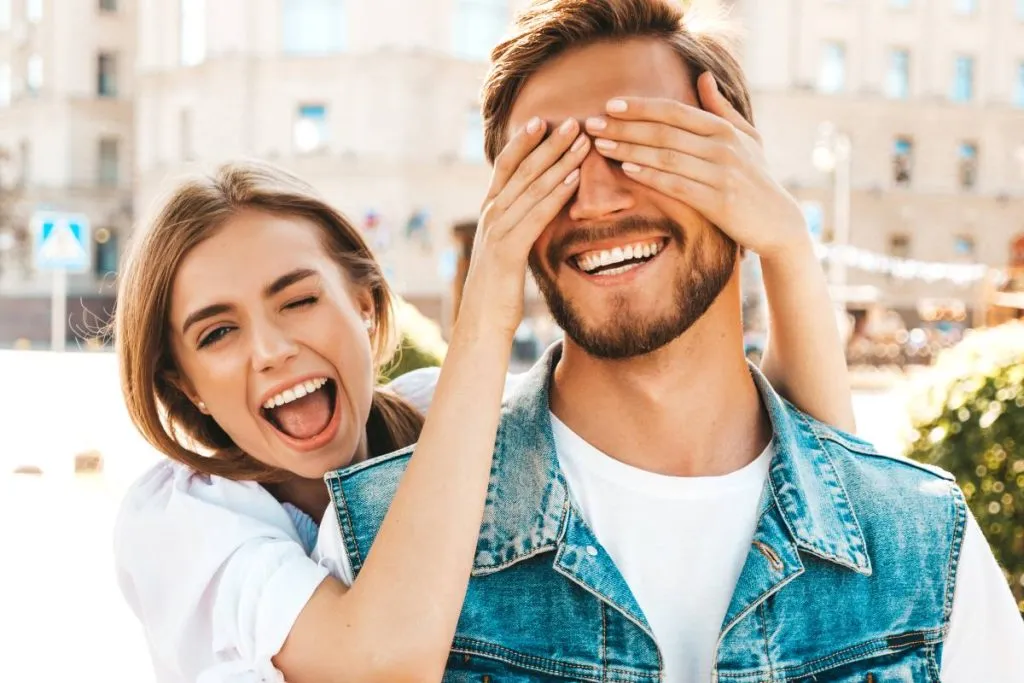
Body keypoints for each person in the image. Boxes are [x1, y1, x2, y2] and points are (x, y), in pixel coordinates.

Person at [313, 1, 1024, 681]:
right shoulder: (376, 547)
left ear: (738, 171)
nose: (593, 200)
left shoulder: (924, 542)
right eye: (547, 167)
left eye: (640, 148)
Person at [114, 123, 855, 683]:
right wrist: (492, 294)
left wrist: (785, 242)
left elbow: (817, 473)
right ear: (184, 385)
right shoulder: (181, 521)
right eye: (217, 332)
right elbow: (378, 660)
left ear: (370, 310)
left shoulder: (447, 420)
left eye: (299, 300)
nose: (270, 349)